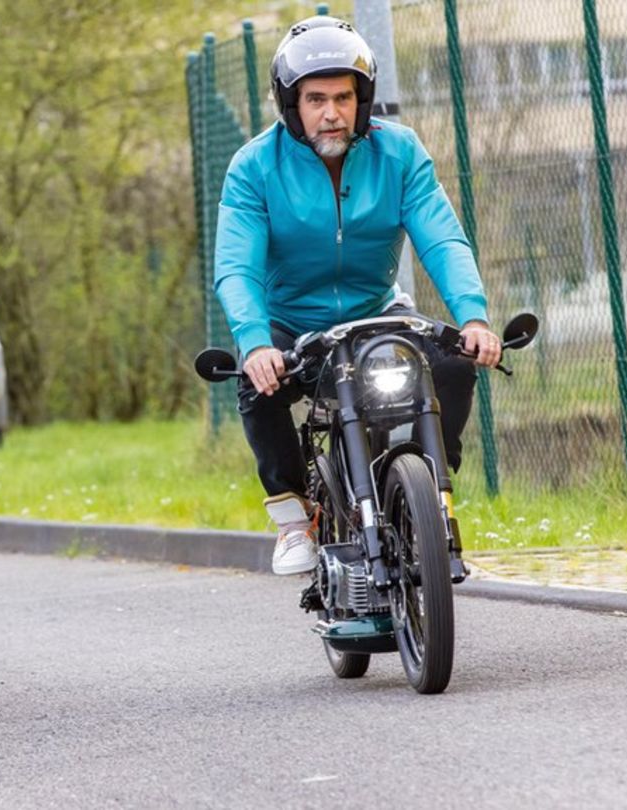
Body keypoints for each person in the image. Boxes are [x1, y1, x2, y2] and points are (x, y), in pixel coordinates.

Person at [213, 17, 502, 576]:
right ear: (290, 104)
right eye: (316, 98)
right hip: (290, 323)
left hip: (379, 312)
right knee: (257, 388)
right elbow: (236, 268)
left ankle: (426, 495)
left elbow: (441, 236)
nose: (331, 112)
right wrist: (254, 343)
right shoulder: (253, 167)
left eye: (343, 97)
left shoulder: (399, 152)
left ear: (361, 99)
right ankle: (295, 518)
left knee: (455, 367)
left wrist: (474, 317)